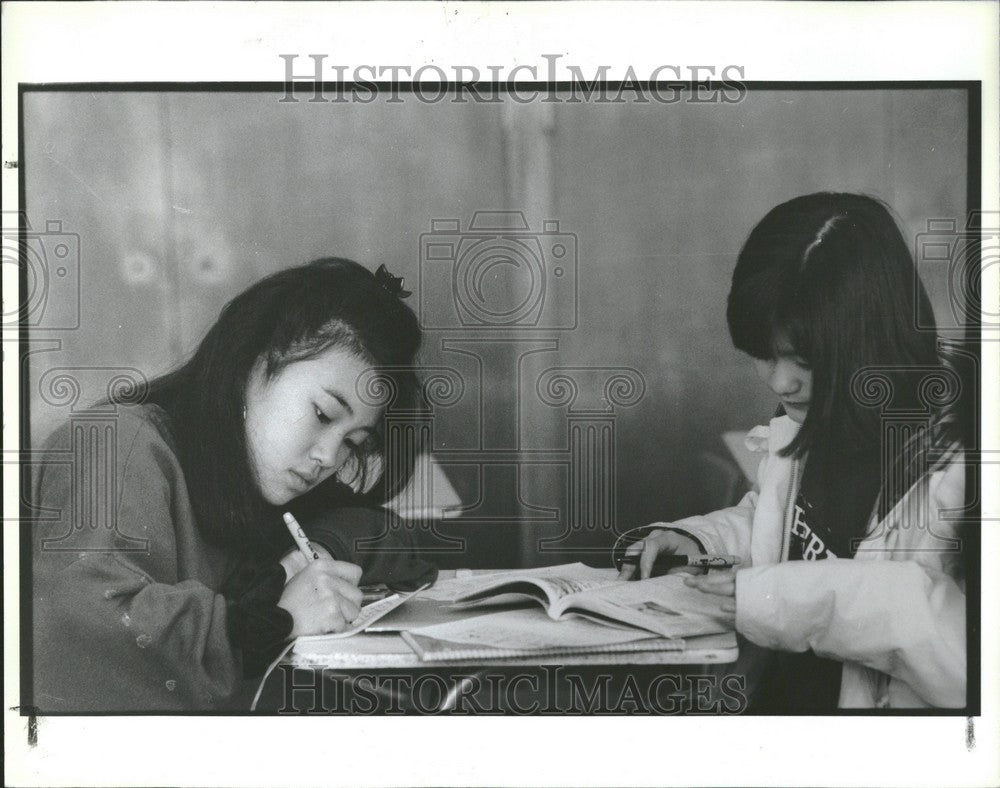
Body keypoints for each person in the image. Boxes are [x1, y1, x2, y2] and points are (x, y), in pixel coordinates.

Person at [30, 258, 435, 711]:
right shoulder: (114, 445)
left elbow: (387, 534)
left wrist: (318, 554)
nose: (328, 457)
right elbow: (81, 630)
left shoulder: (265, 477)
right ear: (251, 363)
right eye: (323, 415)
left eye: (352, 442)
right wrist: (275, 619)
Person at [618, 192, 967, 710]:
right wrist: (701, 541)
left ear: (868, 337)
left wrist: (780, 599)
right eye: (762, 354)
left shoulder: (962, 462)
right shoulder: (823, 417)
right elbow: (782, 527)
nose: (780, 382)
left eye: (803, 359)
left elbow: (964, 657)